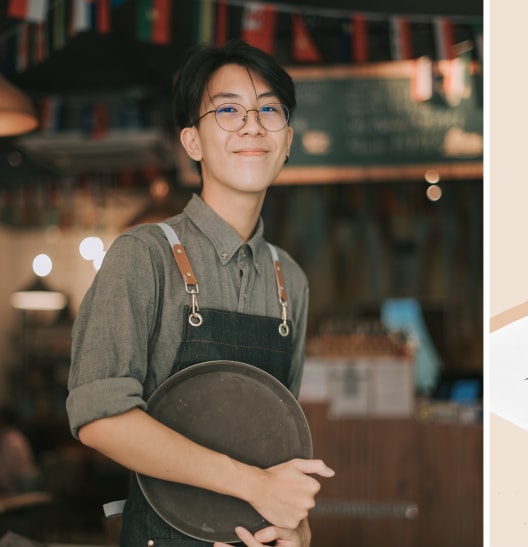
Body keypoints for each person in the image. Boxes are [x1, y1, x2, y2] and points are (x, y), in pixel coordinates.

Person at [66, 39, 334, 546]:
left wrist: (296, 528)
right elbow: (99, 417)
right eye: (228, 109)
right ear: (192, 142)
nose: (252, 124)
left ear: (288, 139)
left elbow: (277, 434)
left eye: (269, 110)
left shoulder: (289, 279)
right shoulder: (142, 255)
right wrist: (255, 485)